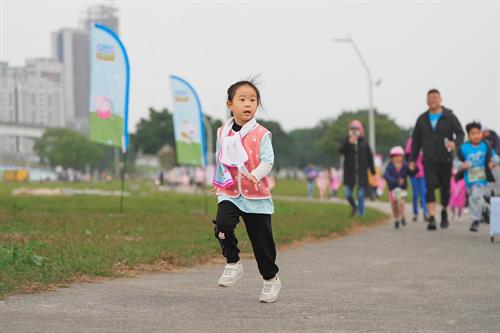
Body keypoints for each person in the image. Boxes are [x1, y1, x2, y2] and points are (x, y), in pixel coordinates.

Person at [211, 79, 280, 303]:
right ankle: (233, 263)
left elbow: (268, 161)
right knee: (222, 224)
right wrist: (219, 182)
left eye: (253, 100)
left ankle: (270, 279)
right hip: (230, 192)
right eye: (242, 99)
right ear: (230, 104)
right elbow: (220, 159)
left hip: (256, 195)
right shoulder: (222, 132)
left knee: (262, 244)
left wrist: (256, 174)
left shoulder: (262, 134)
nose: (248, 104)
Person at [409, 89, 464, 230]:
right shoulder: (422, 119)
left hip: (445, 158)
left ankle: (444, 211)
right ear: (427, 101)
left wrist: (455, 144)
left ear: (440, 99)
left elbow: (460, 133)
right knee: (430, 186)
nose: (432, 100)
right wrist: (412, 160)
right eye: (430, 98)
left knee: (445, 189)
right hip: (429, 159)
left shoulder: (449, 116)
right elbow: (416, 141)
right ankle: (432, 217)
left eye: (435, 97)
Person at [455, 122, 498, 232]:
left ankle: (475, 221)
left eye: (478, 132)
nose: (476, 135)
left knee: (475, 197)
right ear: (468, 136)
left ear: (481, 134)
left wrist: (492, 164)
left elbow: (495, 158)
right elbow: (456, 163)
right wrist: (463, 166)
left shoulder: (486, 146)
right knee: (474, 198)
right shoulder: (464, 148)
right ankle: (484, 209)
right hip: (469, 179)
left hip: (482, 178)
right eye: (473, 133)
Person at [339, 120, 375, 217]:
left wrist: (372, 170)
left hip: (361, 173)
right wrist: (348, 142)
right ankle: (354, 206)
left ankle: (361, 214)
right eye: (352, 129)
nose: (354, 132)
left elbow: (370, 157)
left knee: (360, 195)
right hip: (349, 173)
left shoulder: (364, 143)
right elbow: (341, 150)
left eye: (356, 130)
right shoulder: (346, 140)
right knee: (348, 194)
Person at [384, 146, 415, 229]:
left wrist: (413, 169)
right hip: (392, 188)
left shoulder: (405, 165)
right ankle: (397, 218)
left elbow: (411, 173)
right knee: (394, 205)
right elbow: (386, 176)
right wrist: (395, 180)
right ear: (392, 158)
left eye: (399, 156)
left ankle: (402, 216)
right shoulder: (389, 166)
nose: (397, 158)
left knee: (400, 203)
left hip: (402, 188)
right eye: (395, 156)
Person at [405, 137, 429, 222]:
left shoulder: (425, 141)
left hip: (423, 172)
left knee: (423, 193)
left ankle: (426, 213)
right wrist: (410, 165)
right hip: (413, 172)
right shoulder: (411, 141)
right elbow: (407, 155)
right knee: (415, 193)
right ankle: (415, 213)